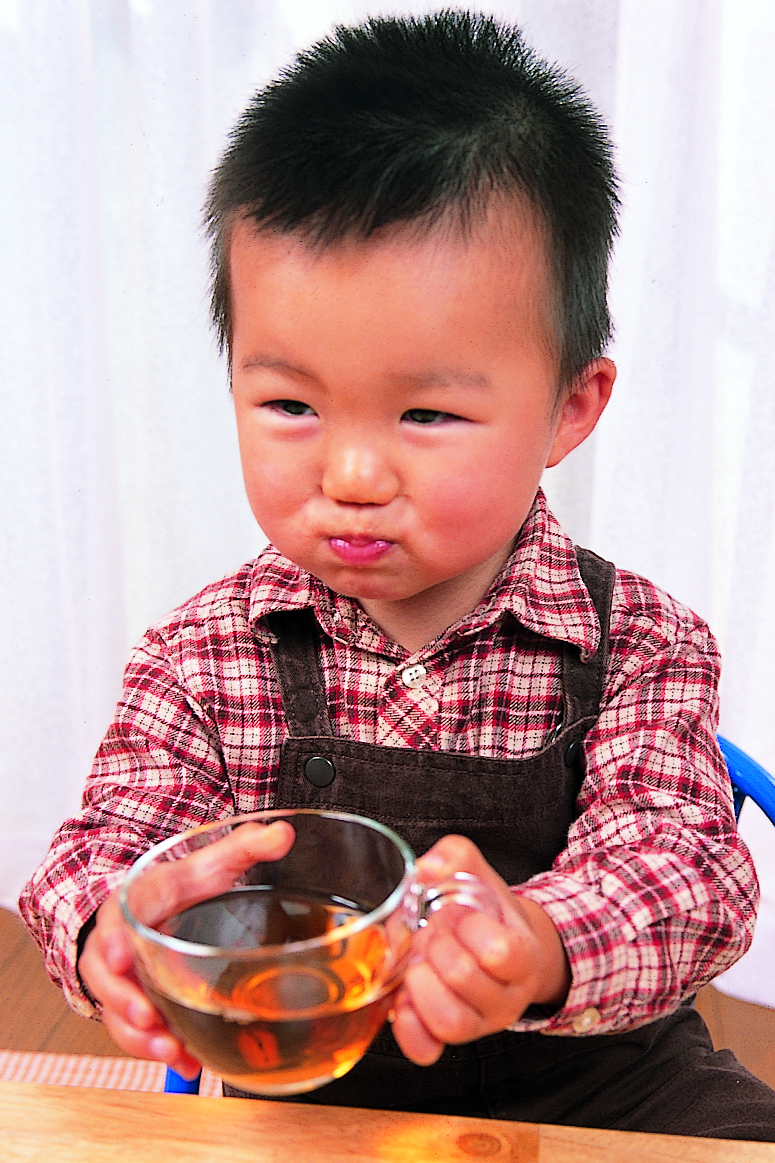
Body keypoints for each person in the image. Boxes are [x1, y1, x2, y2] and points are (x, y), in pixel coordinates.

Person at [19, 10, 775, 1138]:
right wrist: (110, 928)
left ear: (570, 406)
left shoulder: (645, 642)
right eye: (290, 403)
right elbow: (100, 853)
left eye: (426, 410)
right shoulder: (202, 653)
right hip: (308, 1079)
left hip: (608, 1079)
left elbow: (687, 872)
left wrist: (537, 944)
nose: (353, 470)